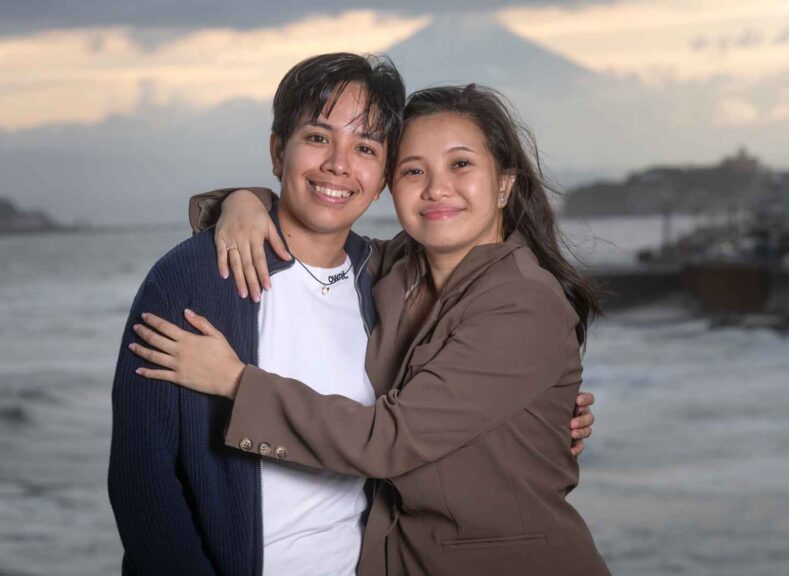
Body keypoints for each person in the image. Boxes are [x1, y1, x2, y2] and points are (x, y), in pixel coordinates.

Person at [110, 53, 594, 576]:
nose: (436, 188)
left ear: (504, 185)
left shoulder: (519, 301)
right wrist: (242, 201)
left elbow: (388, 439)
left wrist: (235, 382)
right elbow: (143, 477)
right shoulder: (382, 272)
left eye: (461, 164)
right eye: (414, 170)